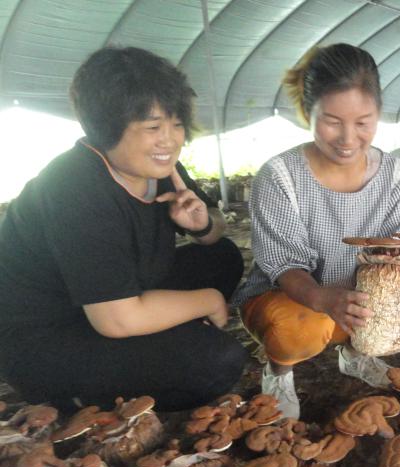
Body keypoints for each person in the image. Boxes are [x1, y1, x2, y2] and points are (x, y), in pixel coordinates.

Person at [0, 46, 248, 412]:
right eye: (153, 127)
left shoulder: (158, 167)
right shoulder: (74, 188)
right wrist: (208, 300)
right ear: (107, 128)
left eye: (176, 124)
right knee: (216, 361)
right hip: (51, 335)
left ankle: (157, 341)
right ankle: (74, 396)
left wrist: (202, 225)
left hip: (122, 294)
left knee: (222, 256)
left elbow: (214, 230)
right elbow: (117, 319)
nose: (170, 140)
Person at [233, 43, 400, 419]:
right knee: (301, 327)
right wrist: (321, 298)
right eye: (332, 121)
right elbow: (284, 266)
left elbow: (397, 252)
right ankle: (278, 373)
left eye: (363, 122)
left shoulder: (394, 175)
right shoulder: (281, 176)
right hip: (288, 297)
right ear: (308, 113)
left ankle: (354, 354)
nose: (348, 138)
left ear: (379, 114)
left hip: (353, 295)